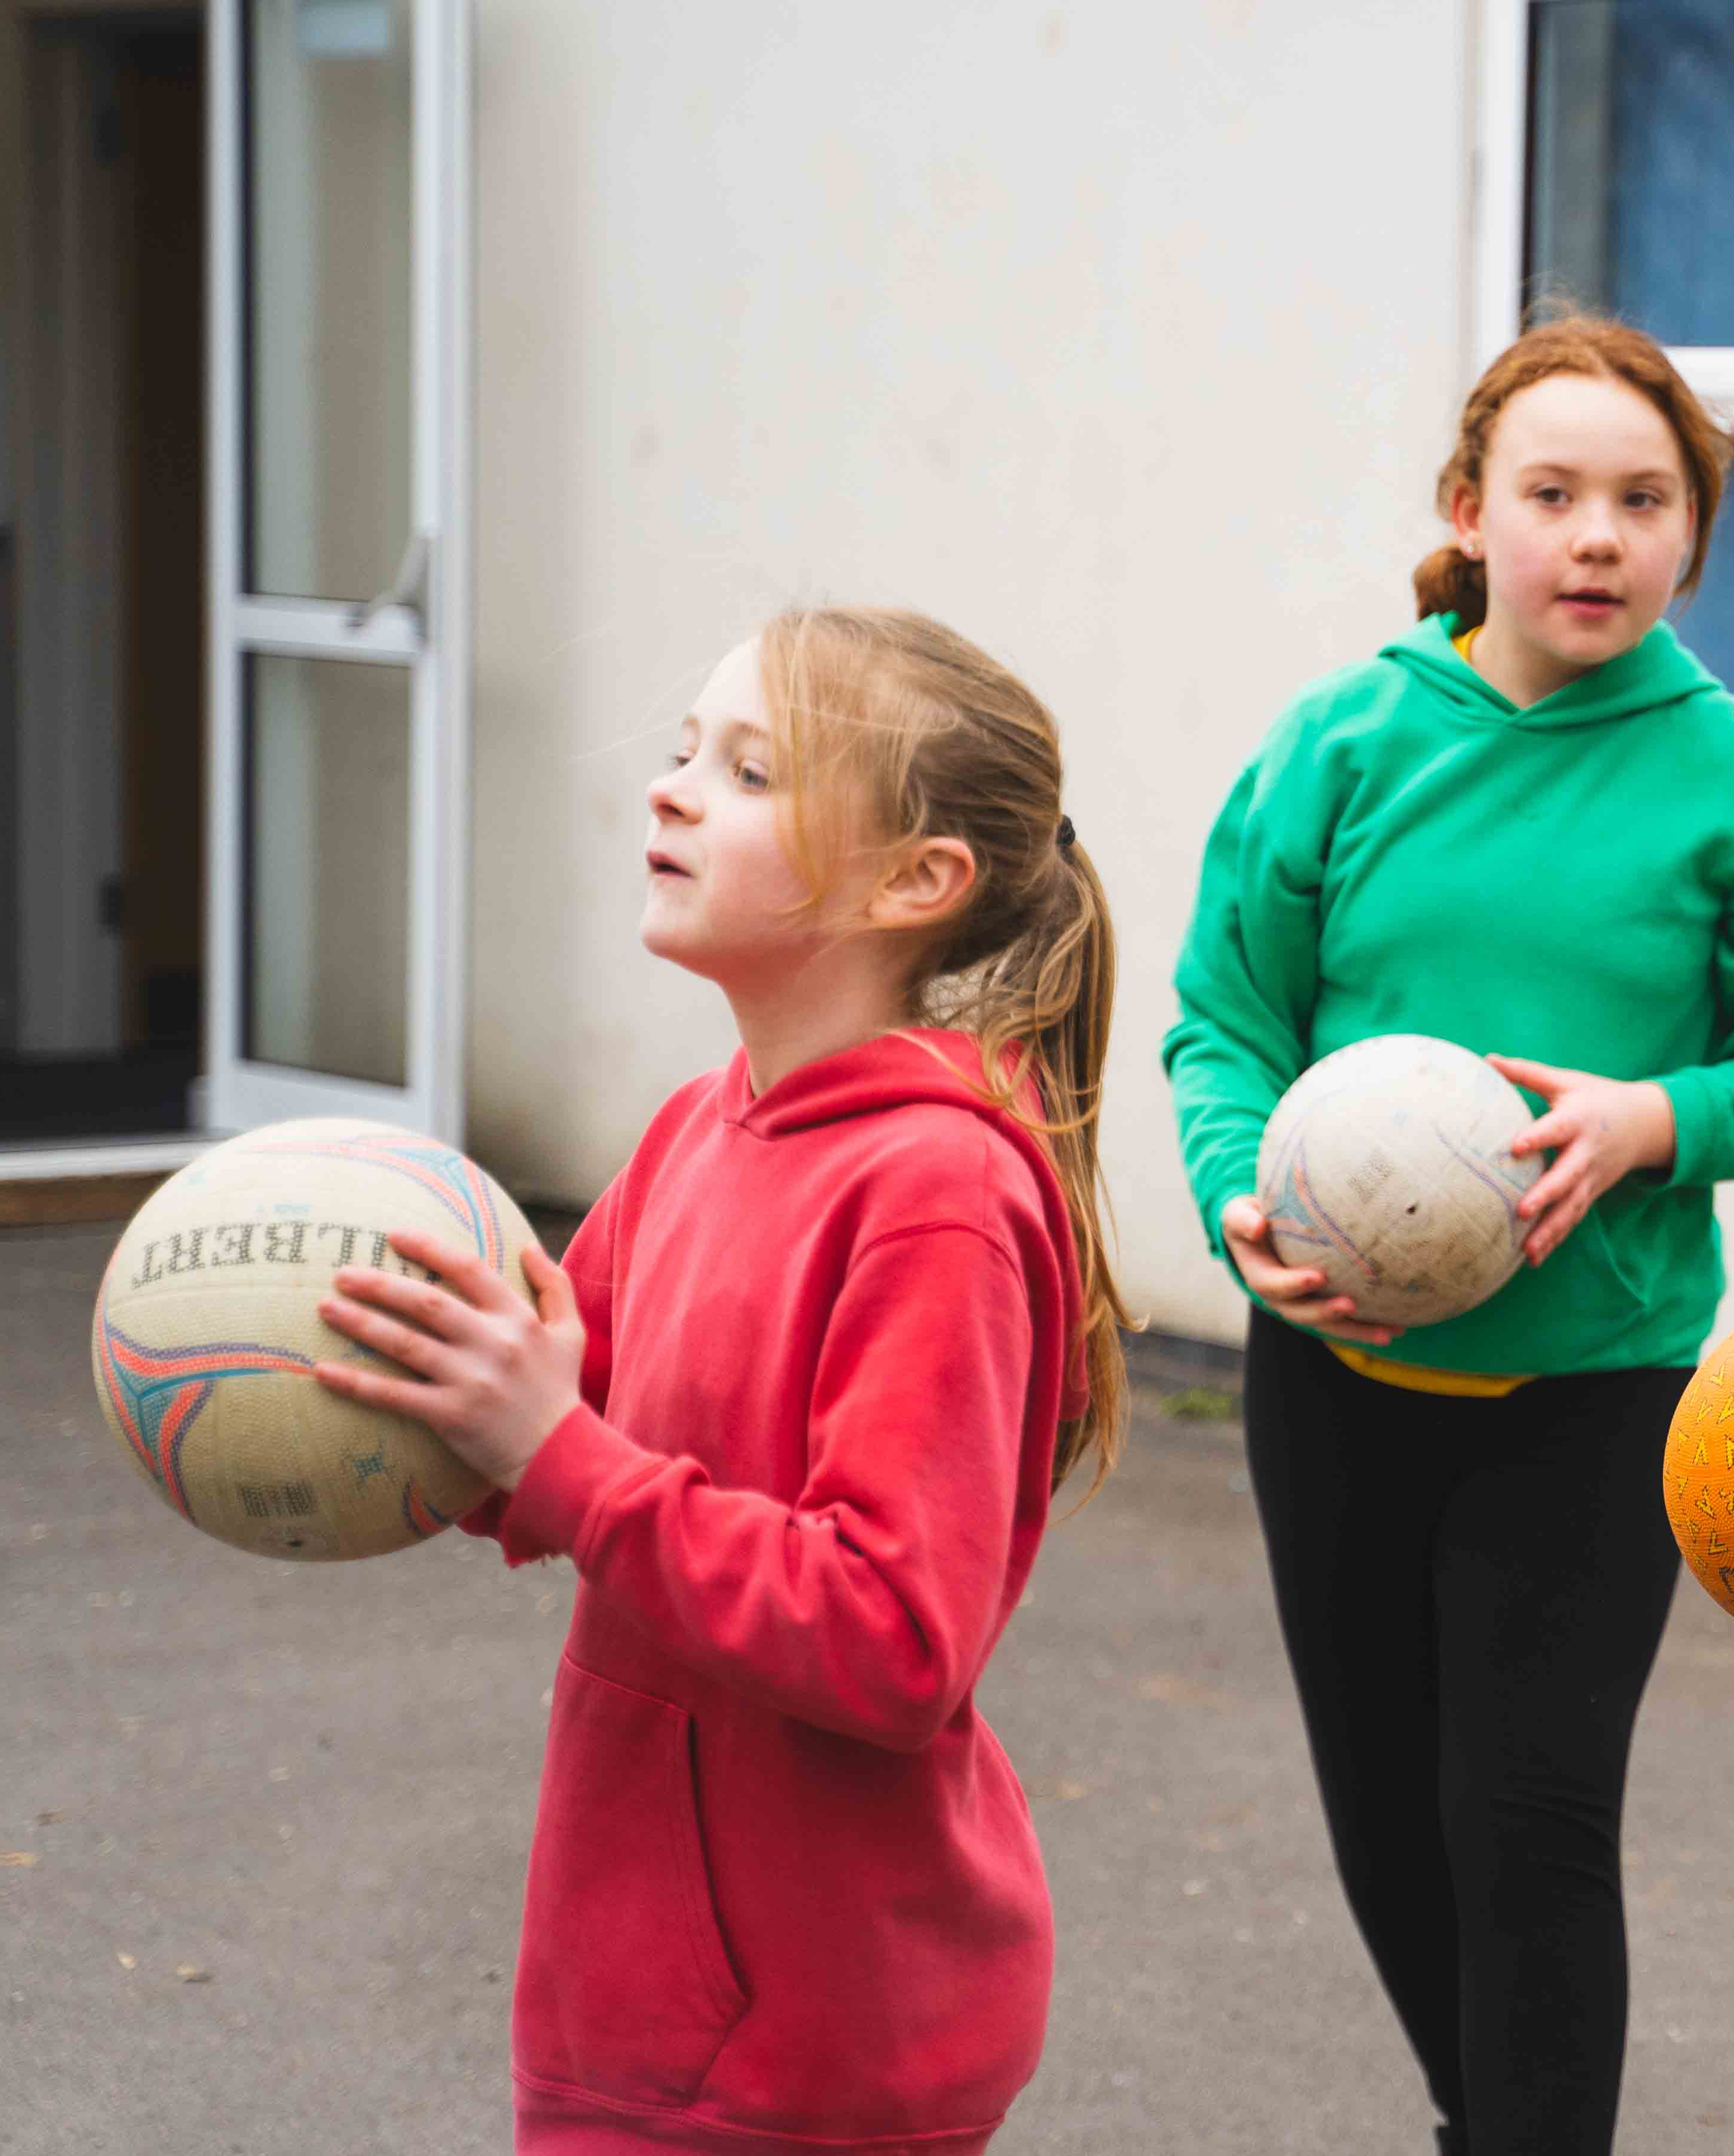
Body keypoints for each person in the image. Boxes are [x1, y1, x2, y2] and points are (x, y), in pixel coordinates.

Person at [1161, 313, 1734, 2156]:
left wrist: (1658, 1118)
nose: (1595, 535)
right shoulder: (1340, 741)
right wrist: (1243, 1198)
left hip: (1597, 1391)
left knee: (1533, 1822)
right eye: (1552, 493)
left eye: (1642, 500)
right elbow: (1223, 1017)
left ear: (1690, 538)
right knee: (1387, 1817)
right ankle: (1486, 2120)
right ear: (1468, 511)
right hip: (1335, 1375)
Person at [316, 608, 1125, 2154]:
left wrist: (553, 1454)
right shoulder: (700, 1124)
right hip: (631, 1993)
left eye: (750, 770)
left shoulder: (934, 1189)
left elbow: (894, 1633)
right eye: (685, 749)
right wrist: (377, 1389)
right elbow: (561, 1428)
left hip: (810, 2036)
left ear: (915, 881)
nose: (672, 790)